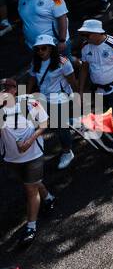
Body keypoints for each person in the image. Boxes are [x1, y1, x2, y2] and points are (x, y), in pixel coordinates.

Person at [0, 76, 54, 247]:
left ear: (14, 90)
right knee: (31, 182)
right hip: (10, 157)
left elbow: (45, 123)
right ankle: (49, 198)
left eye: (6, 89)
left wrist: (30, 140)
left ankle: (31, 227)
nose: (3, 93)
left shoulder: (29, 102)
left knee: (30, 189)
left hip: (33, 154)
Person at [25, 35, 76, 169]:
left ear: (51, 49)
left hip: (60, 97)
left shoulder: (62, 62)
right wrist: (27, 94)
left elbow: (71, 79)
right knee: (44, 122)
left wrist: (77, 96)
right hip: (43, 98)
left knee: (59, 125)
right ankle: (72, 123)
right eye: (38, 49)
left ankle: (67, 151)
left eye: (44, 48)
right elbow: (31, 78)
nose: (40, 51)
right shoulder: (35, 62)